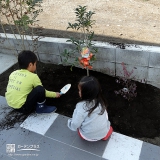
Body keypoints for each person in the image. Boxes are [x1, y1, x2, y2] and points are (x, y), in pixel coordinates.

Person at [5, 50, 61, 114]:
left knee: (27, 88)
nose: (36, 66)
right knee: (39, 89)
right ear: (30, 65)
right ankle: (41, 108)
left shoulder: (13, 73)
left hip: (11, 104)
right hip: (23, 108)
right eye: (35, 64)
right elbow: (42, 92)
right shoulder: (33, 77)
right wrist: (55, 94)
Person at [68, 76, 113, 141]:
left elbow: (75, 124)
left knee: (79, 129)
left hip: (87, 136)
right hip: (103, 133)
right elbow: (106, 117)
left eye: (80, 90)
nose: (78, 92)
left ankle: (90, 136)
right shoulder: (101, 102)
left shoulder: (81, 107)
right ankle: (103, 136)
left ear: (85, 93)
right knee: (109, 128)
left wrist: (70, 122)